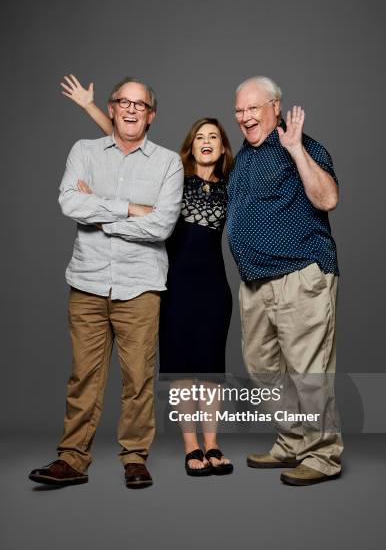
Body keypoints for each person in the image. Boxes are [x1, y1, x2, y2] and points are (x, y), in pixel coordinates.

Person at [59, 75, 234, 476]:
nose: (208, 141)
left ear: (224, 148)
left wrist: (100, 214)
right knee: (169, 372)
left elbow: (158, 224)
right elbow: (125, 142)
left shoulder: (221, 183)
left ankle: (194, 448)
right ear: (191, 146)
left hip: (201, 288)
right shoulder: (175, 172)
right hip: (168, 285)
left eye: (215, 137)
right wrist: (93, 110)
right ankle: (187, 449)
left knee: (198, 372)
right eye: (200, 136)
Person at [29, 77, 184, 489]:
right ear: (111, 108)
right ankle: (71, 459)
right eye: (123, 102)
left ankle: (135, 458)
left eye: (140, 104)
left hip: (141, 287)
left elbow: (163, 225)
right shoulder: (84, 151)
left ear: (151, 115)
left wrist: (97, 213)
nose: (131, 109)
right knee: (84, 376)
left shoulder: (168, 162)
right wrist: (131, 209)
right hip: (87, 282)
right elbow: (68, 201)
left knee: (138, 379)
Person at [227, 76, 343, 486]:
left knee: (308, 372)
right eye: (239, 110)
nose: (243, 118)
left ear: (275, 107)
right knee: (262, 370)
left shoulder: (304, 146)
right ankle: (293, 441)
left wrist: (294, 149)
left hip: (300, 277)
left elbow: (328, 198)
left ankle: (323, 455)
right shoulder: (243, 157)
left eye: (252, 109)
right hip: (255, 283)